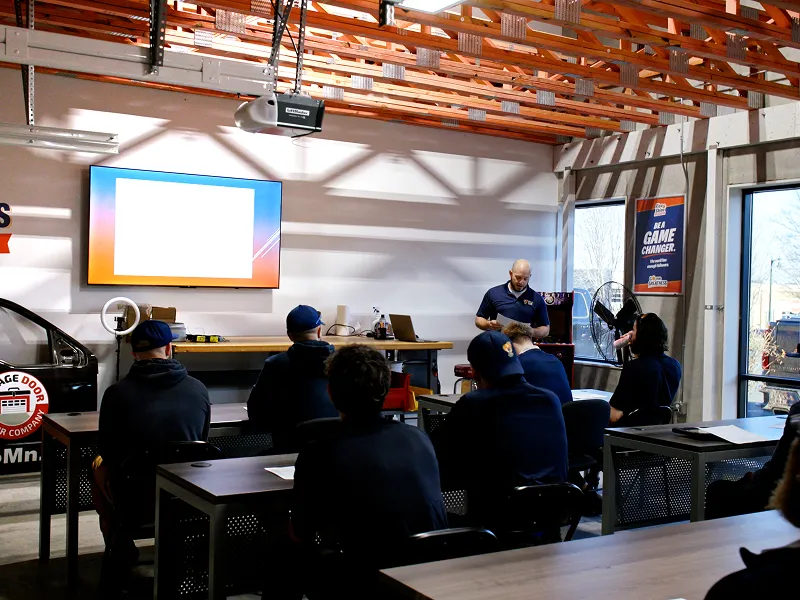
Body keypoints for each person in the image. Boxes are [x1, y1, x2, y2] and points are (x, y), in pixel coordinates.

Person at [284, 344, 447, 598]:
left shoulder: (319, 451)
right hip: (429, 573)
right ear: (386, 390)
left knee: (283, 554)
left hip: (364, 580)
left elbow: (301, 532)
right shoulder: (419, 438)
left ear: (330, 393)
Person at [93, 320, 210, 587]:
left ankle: (120, 545)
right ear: (169, 349)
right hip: (189, 496)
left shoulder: (116, 394)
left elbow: (107, 450)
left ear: (134, 353)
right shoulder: (198, 389)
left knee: (98, 466)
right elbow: (202, 441)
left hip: (135, 500)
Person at [432, 330, 568, 527]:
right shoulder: (550, 400)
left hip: (498, 520)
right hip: (552, 515)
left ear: (475, 373)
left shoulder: (474, 404)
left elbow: (435, 455)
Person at [704, 416, 800, 600]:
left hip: (766, 488)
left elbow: (775, 473)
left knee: (719, 491)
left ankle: (712, 562)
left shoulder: (736, 590)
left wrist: (756, 478)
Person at [247, 305, 338, 451]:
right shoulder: (342, 362)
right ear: (319, 331)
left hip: (289, 450)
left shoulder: (275, 364)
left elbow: (257, 413)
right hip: (335, 449)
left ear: (290, 335)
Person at [705, 401, 800, 520]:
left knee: (717, 490)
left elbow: (780, 469)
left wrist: (756, 478)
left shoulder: (797, 413)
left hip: (783, 495)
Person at [608, 313, 681, 425]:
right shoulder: (675, 365)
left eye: (633, 330)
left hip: (629, 431)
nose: (630, 334)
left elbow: (615, 415)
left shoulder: (633, 368)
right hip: (656, 430)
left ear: (641, 336)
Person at [475, 259, 550, 339]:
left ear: (530, 276)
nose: (521, 282)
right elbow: (478, 319)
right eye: (518, 277)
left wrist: (531, 331)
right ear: (510, 274)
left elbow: (545, 329)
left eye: (525, 278)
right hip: (497, 343)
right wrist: (488, 324)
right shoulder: (493, 293)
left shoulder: (537, 299)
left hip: (523, 344)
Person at [503, 322, 572, 405]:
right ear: (530, 338)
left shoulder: (517, 365)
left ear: (510, 344)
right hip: (564, 412)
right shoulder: (556, 361)